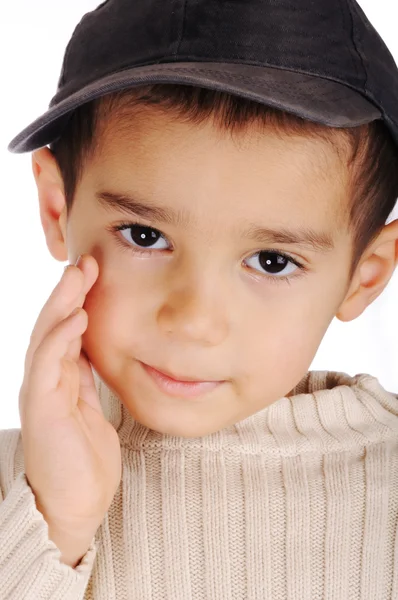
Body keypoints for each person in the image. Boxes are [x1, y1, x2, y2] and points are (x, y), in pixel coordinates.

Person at [1, 0, 398, 598]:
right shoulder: (18, 490)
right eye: (145, 236)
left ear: (364, 275)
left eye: (272, 261)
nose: (193, 321)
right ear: (58, 210)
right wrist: (56, 526)